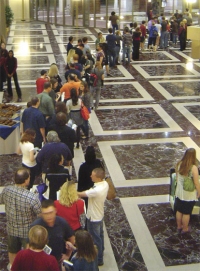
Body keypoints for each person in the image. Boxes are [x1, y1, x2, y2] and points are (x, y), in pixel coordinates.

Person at [0, 168, 41, 267]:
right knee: (28, 255)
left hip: (11, 229)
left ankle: (13, 267)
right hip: (27, 232)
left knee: (12, 250)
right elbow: (40, 214)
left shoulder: (6, 190)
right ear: (27, 180)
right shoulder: (32, 197)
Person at [78, 168, 109, 266]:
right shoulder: (105, 184)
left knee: (95, 239)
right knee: (100, 235)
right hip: (99, 214)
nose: (90, 176)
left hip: (93, 217)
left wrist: (69, 192)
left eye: (93, 175)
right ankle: (101, 251)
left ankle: (99, 259)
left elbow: (81, 194)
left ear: (98, 177)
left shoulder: (96, 191)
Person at [31, 199, 75, 264]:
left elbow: (72, 239)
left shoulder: (62, 222)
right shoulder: (36, 226)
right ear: (42, 214)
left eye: (50, 212)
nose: (49, 216)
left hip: (58, 260)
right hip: (40, 262)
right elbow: (29, 246)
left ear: (55, 211)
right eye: (46, 214)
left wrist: (67, 255)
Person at [174, 148, 200, 233]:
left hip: (179, 192)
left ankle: (179, 226)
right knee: (186, 212)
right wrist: (199, 192)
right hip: (188, 194)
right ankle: (185, 228)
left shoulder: (179, 164)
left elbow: (177, 178)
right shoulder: (193, 168)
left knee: (179, 210)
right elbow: (196, 182)